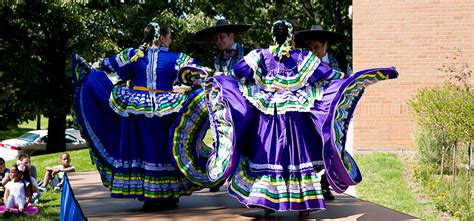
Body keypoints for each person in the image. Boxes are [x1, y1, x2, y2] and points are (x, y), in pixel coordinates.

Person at [174, 19, 398, 215]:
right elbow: (330, 75)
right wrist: (352, 79)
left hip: (268, 118)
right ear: (291, 37)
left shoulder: (259, 56)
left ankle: (268, 204)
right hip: (295, 117)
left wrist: (213, 79)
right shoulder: (302, 57)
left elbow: (234, 74)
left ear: (273, 35)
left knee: (269, 157)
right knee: (296, 158)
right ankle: (304, 204)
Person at [71, 21, 210, 211]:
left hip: (137, 107)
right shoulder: (176, 58)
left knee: (142, 150)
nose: (170, 40)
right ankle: (169, 194)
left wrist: (89, 72)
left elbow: (105, 65)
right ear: (162, 37)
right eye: (169, 36)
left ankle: (149, 195)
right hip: (166, 107)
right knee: (165, 149)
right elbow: (198, 73)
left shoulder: (132, 55)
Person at [294, 25, 352, 200]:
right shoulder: (302, 65)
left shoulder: (340, 63)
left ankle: (326, 184)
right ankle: (307, 185)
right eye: (310, 48)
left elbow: (349, 86)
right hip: (309, 114)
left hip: (333, 113)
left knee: (332, 146)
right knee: (310, 148)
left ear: (326, 45)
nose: (313, 52)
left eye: (317, 47)